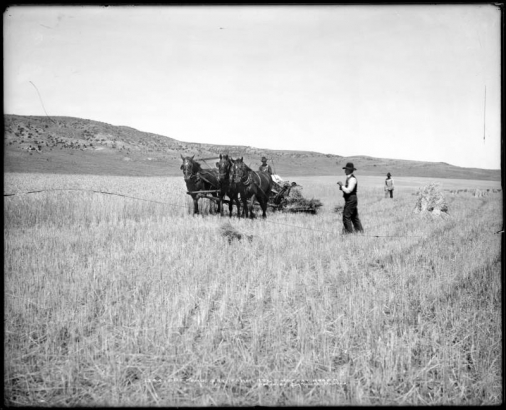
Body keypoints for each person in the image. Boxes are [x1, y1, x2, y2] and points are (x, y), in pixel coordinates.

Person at [337, 162, 364, 234]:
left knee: (346, 216)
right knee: (354, 217)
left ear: (349, 170)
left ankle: (349, 233)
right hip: (352, 199)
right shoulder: (350, 178)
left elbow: (348, 190)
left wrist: (341, 185)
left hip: (351, 200)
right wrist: (342, 188)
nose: (345, 171)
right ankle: (360, 232)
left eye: (346, 169)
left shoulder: (352, 179)